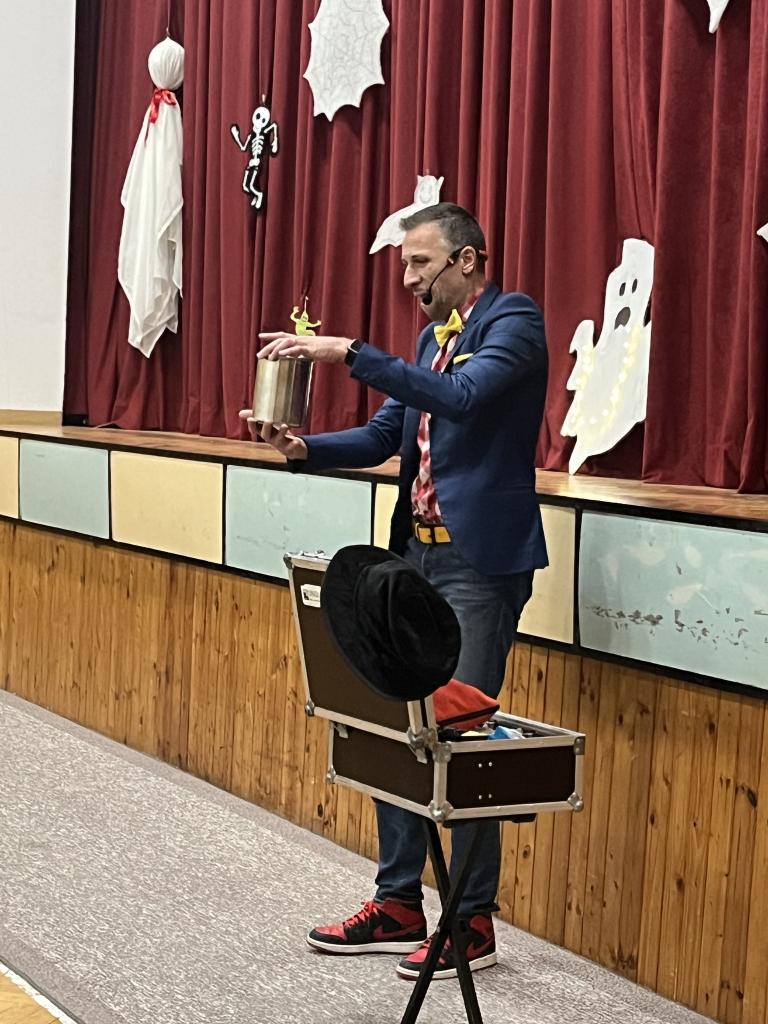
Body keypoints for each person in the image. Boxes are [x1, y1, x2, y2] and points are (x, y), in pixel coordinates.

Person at [240, 202, 549, 979]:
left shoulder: (514, 321)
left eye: (420, 263)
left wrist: (349, 352)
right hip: (413, 559)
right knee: (394, 728)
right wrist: (302, 448)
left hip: (478, 567)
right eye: (404, 264)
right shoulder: (428, 342)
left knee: (462, 738)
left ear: (467, 260)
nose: (408, 278)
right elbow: (385, 436)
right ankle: (399, 901)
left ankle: (471, 922)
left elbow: (464, 399)